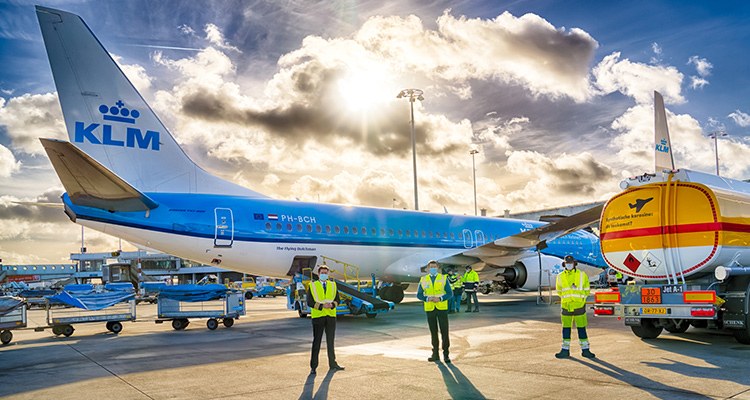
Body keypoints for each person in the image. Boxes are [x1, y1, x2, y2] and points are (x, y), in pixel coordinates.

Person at [555, 255, 595, 359]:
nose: (569, 265)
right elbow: (559, 290)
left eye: (571, 263)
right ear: (564, 264)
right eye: (567, 263)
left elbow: (587, 290)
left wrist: (581, 300)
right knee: (566, 329)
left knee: (581, 328)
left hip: (579, 305)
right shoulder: (560, 276)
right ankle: (565, 350)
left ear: (574, 264)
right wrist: (567, 298)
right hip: (566, 305)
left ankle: (585, 350)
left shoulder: (582, 275)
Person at [308, 265, 345, 374]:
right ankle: (313, 367)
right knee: (317, 342)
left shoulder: (333, 285)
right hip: (318, 317)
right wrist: (321, 306)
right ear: (318, 274)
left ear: (328, 274)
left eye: (326, 273)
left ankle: (333, 364)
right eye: (322, 273)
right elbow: (309, 302)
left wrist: (332, 305)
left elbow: (338, 300)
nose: (324, 274)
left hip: (330, 317)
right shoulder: (313, 285)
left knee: (330, 341)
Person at [417, 260, 453, 363]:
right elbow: (419, 294)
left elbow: (449, 293)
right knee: (433, 333)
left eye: (434, 267)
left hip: (441, 308)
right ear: (427, 269)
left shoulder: (443, 278)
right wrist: (427, 299)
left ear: (437, 268)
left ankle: (446, 354)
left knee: (444, 332)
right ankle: (435, 354)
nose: (432, 269)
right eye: (431, 267)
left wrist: (440, 298)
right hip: (430, 309)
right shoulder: (423, 280)